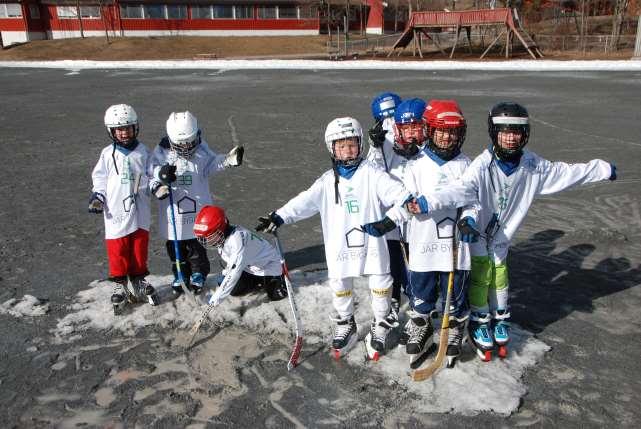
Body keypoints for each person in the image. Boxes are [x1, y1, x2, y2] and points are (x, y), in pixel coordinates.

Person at [455, 102, 617, 361]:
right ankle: (479, 319)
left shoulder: (532, 165)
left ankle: (499, 318)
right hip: (477, 231)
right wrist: (466, 219)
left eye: (516, 131)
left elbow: (565, 173)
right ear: (493, 132)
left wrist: (601, 169)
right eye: (504, 131)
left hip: (501, 234)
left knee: (499, 273)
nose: (511, 137)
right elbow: (464, 191)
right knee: (481, 273)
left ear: (525, 133)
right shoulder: (482, 165)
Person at [256, 117, 411, 358]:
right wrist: (278, 217)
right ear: (332, 148)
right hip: (340, 244)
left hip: (371, 242)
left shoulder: (373, 174)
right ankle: (345, 322)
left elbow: (403, 197)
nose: (347, 150)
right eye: (341, 145)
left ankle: (380, 323)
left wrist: (388, 221)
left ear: (360, 145)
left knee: (380, 281)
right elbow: (304, 202)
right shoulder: (327, 181)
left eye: (352, 144)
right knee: (339, 282)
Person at [401, 99, 476, 367]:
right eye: (441, 130)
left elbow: (472, 200)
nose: (447, 136)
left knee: (454, 294)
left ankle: (453, 329)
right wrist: (406, 206)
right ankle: (421, 325)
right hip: (423, 243)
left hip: (456, 246)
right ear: (430, 131)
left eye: (453, 132)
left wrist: (468, 218)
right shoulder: (415, 165)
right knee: (421, 292)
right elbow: (405, 198)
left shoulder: (467, 165)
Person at [149, 111, 244, 296]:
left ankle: (198, 273)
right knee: (176, 248)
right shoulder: (161, 151)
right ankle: (180, 275)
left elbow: (211, 164)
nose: (186, 147)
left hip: (197, 209)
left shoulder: (201, 149)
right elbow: (150, 171)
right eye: (181, 144)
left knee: (197, 246)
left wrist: (226, 160)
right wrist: (159, 181)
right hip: (174, 212)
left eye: (189, 142)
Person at [367, 96, 428, 338]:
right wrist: (375, 147)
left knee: (415, 266)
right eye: (384, 118)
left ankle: (419, 308)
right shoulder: (385, 140)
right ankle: (391, 302)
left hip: (416, 219)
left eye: (393, 117)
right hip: (391, 216)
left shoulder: (413, 135)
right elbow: (375, 173)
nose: (388, 122)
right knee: (391, 261)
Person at [89, 104, 154, 315]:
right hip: (116, 209)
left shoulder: (143, 151)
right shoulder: (108, 154)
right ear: (111, 131)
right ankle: (120, 284)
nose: (124, 132)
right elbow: (100, 177)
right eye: (119, 129)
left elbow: (153, 173)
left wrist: (157, 185)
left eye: (128, 128)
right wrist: (98, 196)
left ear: (136, 128)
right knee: (118, 248)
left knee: (138, 246)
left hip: (139, 209)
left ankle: (138, 281)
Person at [192, 205, 288, 305]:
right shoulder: (222, 238)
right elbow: (232, 267)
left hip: (268, 267)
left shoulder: (237, 242)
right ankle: (257, 283)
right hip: (248, 268)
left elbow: (233, 273)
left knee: (277, 295)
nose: (206, 240)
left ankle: (275, 279)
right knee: (230, 287)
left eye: (209, 236)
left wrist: (217, 298)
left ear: (220, 228)